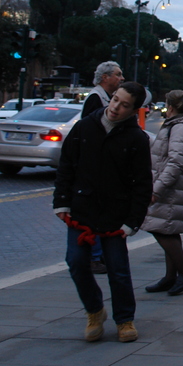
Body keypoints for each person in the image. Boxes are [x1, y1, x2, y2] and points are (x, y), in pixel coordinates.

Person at [53, 81, 152, 343]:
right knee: (76, 263)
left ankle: (124, 319)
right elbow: (66, 166)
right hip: (81, 211)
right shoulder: (84, 127)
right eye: (115, 100)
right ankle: (94, 311)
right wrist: (61, 202)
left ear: (134, 111)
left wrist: (132, 222)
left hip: (115, 216)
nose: (115, 107)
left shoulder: (137, 140)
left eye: (124, 105)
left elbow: (142, 185)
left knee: (118, 270)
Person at [140, 90, 183, 295]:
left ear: (170, 106)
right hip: (174, 185)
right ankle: (170, 277)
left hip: (172, 186)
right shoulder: (180, 125)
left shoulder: (181, 128)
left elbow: (175, 162)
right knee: (167, 228)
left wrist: (157, 189)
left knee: (158, 227)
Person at [80, 60, 125, 274]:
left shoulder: (104, 98)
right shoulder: (95, 99)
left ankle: (99, 254)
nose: (121, 78)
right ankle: (94, 256)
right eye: (118, 74)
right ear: (105, 77)